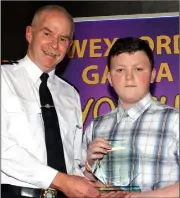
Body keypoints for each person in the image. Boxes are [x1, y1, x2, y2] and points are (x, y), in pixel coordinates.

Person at [1, 5, 100, 198]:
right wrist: (62, 181)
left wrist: (90, 182)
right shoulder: (3, 78)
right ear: (30, 34)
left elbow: (73, 162)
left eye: (63, 39)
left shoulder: (70, 94)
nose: (54, 45)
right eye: (48, 33)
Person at [81, 37, 179, 198]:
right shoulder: (96, 127)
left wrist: (135, 197)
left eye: (138, 69)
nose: (129, 77)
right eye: (120, 70)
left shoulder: (174, 121)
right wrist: (90, 167)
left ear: (153, 75)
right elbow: (80, 186)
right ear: (110, 78)